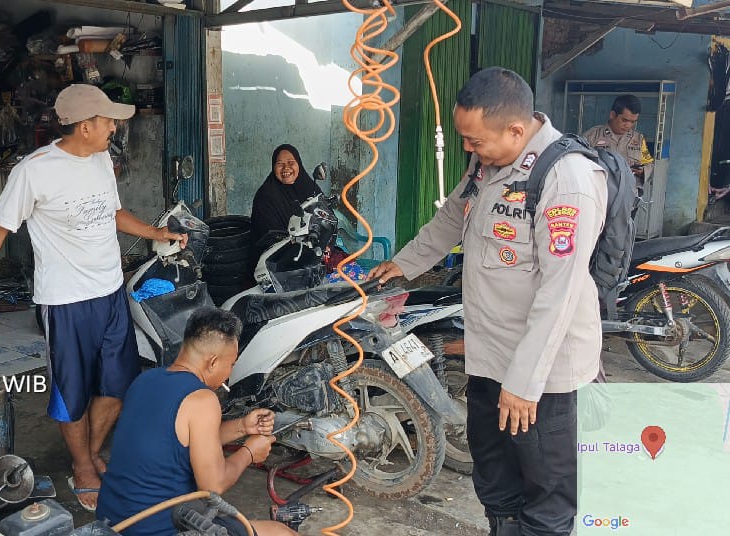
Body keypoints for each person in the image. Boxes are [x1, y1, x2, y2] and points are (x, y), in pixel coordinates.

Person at [368, 67, 606, 536]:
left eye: (474, 140)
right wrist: (404, 264)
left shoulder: (567, 179)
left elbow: (559, 293)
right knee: (495, 482)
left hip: (542, 376)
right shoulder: (487, 164)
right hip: (489, 358)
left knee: (546, 496)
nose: (467, 149)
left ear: (515, 130)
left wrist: (523, 383)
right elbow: (451, 217)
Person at [0, 84, 186, 511]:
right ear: (85, 126)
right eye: (108, 122)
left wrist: (155, 232)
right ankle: (83, 465)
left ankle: (90, 452)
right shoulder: (34, 171)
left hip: (111, 292)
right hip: (66, 301)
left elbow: (112, 213)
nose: (114, 128)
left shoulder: (102, 159)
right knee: (72, 391)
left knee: (118, 384)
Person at [96, 307, 296, 536]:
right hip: (158, 530)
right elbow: (213, 485)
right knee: (282, 532)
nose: (229, 373)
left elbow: (181, 443)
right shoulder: (202, 399)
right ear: (212, 362)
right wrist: (249, 452)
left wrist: (242, 426)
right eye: (231, 364)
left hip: (110, 521)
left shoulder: (145, 380)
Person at [250, 144, 323, 252]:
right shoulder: (265, 196)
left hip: (313, 249)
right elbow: (269, 238)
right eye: (280, 164)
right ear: (273, 166)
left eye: (291, 162)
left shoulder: (310, 188)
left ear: (299, 164)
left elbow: (324, 214)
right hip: (278, 256)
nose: (286, 168)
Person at [581, 94, 654, 188]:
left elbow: (649, 164)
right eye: (624, 120)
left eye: (632, 122)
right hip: (600, 192)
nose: (628, 125)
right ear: (612, 115)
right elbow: (579, 164)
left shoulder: (638, 139)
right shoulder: (591, 136)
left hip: (629, 193)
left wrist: (643, 171)